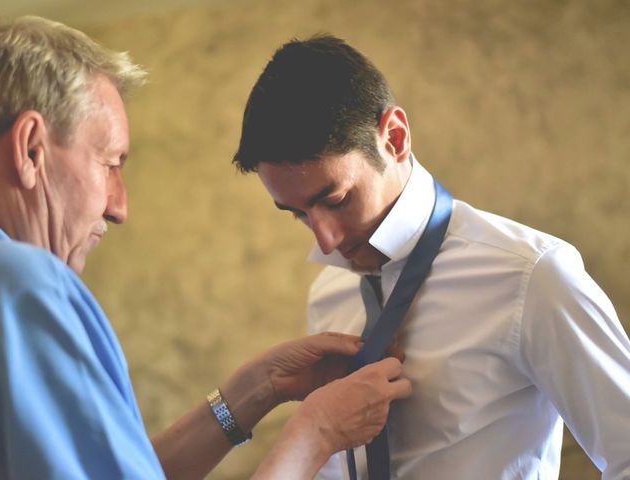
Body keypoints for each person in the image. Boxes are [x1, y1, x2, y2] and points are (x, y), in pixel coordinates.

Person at [0, 16, 413, 480]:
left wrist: (257, 390)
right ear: (31, 150)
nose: (120, 207)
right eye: (111, 164)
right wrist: (316, 433)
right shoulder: (17, 283)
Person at [232, 34, 630, 479]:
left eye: (337, 199)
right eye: (298, 215)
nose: (324, 241)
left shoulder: (530, 274)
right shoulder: (330, 289)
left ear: (395, 138)